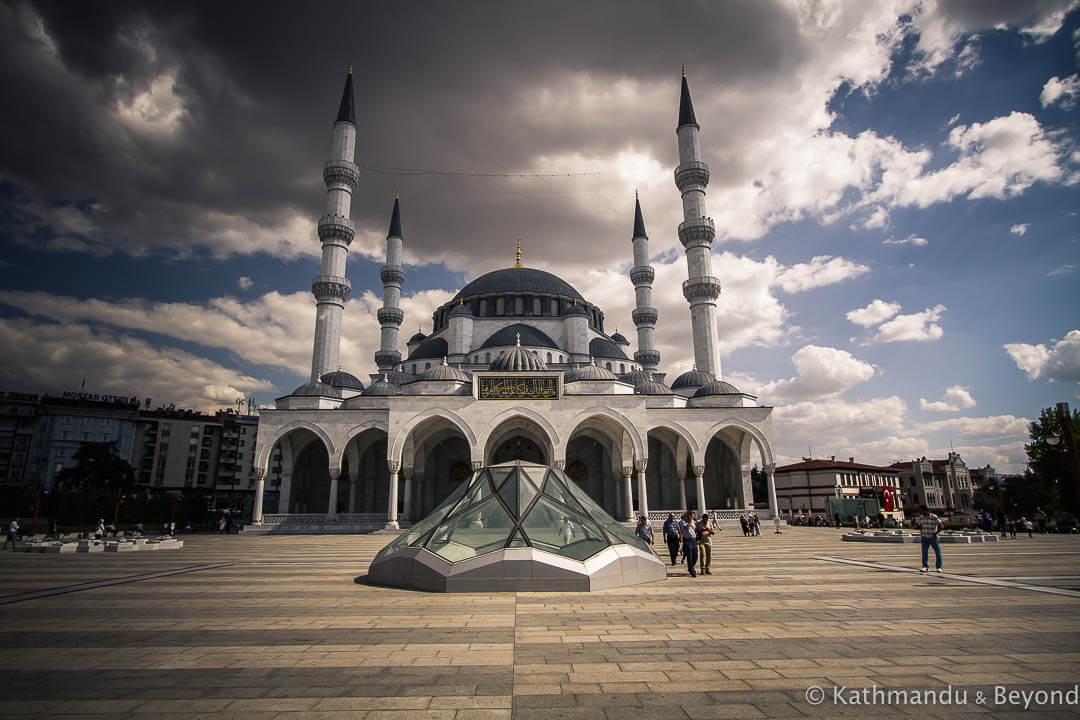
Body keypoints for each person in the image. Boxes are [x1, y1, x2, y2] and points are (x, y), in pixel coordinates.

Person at [918, 504, 944, 573]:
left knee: (937, 552)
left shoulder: (934, 517)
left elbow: (941, 526)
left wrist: (935, 533)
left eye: (921, 510)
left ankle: (939, 567)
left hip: (933, 537)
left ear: (925, 510)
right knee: (924, 552)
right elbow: (920, 525)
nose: (920, 512)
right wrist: (921, 533)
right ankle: (925, 566)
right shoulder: (921, 517)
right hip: (924, 537)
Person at [678, 511, 698, 578]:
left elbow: (695, 529)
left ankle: (691, 567)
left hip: (693, 539)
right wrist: (690, 521)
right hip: (687, 540)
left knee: (695, 555)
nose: (693, 517)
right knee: (689, 555)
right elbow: (687, 528)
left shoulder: (694, 521)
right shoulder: (682, 522)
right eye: (692, 515)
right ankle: (692, 571)